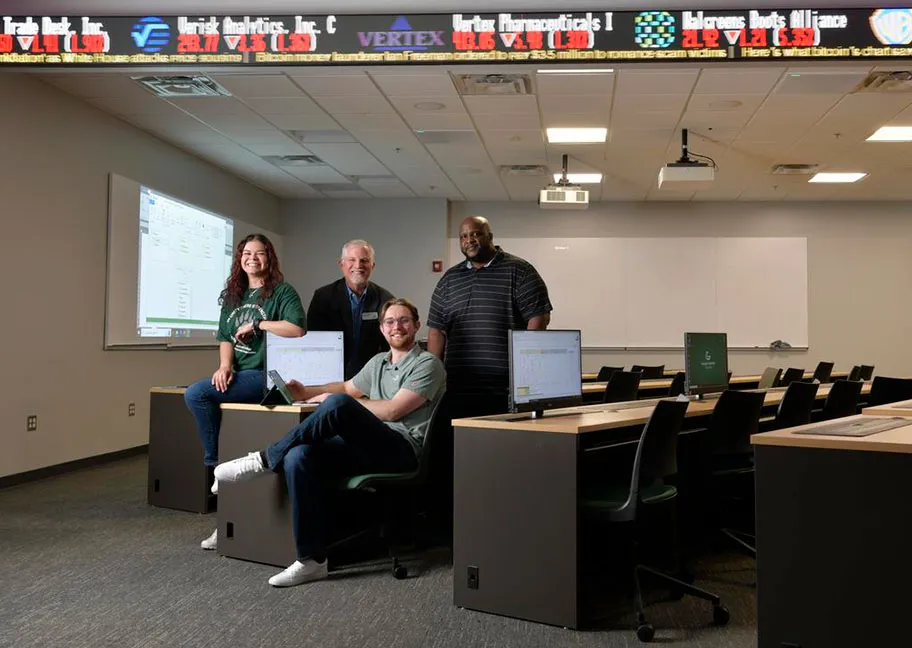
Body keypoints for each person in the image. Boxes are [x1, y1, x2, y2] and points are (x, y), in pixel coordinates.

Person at [214, 298, 445, 587]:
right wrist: (306, 392)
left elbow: (393, 411)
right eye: (390, 321)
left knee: (338, 405)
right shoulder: (378, 362)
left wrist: (334, 402)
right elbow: (346, 387)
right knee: (299, 455)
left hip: (402, 450)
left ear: (417, 325)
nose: (397, 326)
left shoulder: (428, 364)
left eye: (404, 320)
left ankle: (262, 459)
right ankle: (312, 560)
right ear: (383, 330)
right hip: (369, 448)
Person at [184, 233, 306, 550]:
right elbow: (225, 337)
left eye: (260, 253)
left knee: (197, 394)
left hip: (268, 374)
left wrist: (260, 326)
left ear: (270, 258)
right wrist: (224, 366)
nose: (253, 258)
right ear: (240, 259)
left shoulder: (281, 292)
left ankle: (214, 467)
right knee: (199, 394)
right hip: (240, 372)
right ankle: (221, 485)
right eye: (247, 253)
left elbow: (297, 328)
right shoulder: (234, 295)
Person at [427, 216, 552, 418]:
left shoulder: (520, 271)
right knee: (460, 446)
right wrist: (434, 376)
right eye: (463, 237)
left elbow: (539, 318)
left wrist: (524, 370)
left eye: (475, 234)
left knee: (502, 445)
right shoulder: (449, 279)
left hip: (505, 387)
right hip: (458, 386)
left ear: (490, 236)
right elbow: (436, 330)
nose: (469, 240)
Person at [306, 239, 395, 380]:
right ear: (341, 264)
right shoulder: (323, 297)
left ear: (373, 265)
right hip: (330, 375)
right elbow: (312, 340)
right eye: (351, 260)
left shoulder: (386, 300)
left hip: (371, 377)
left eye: (364, 260)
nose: (358, 265)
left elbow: (390, 346)